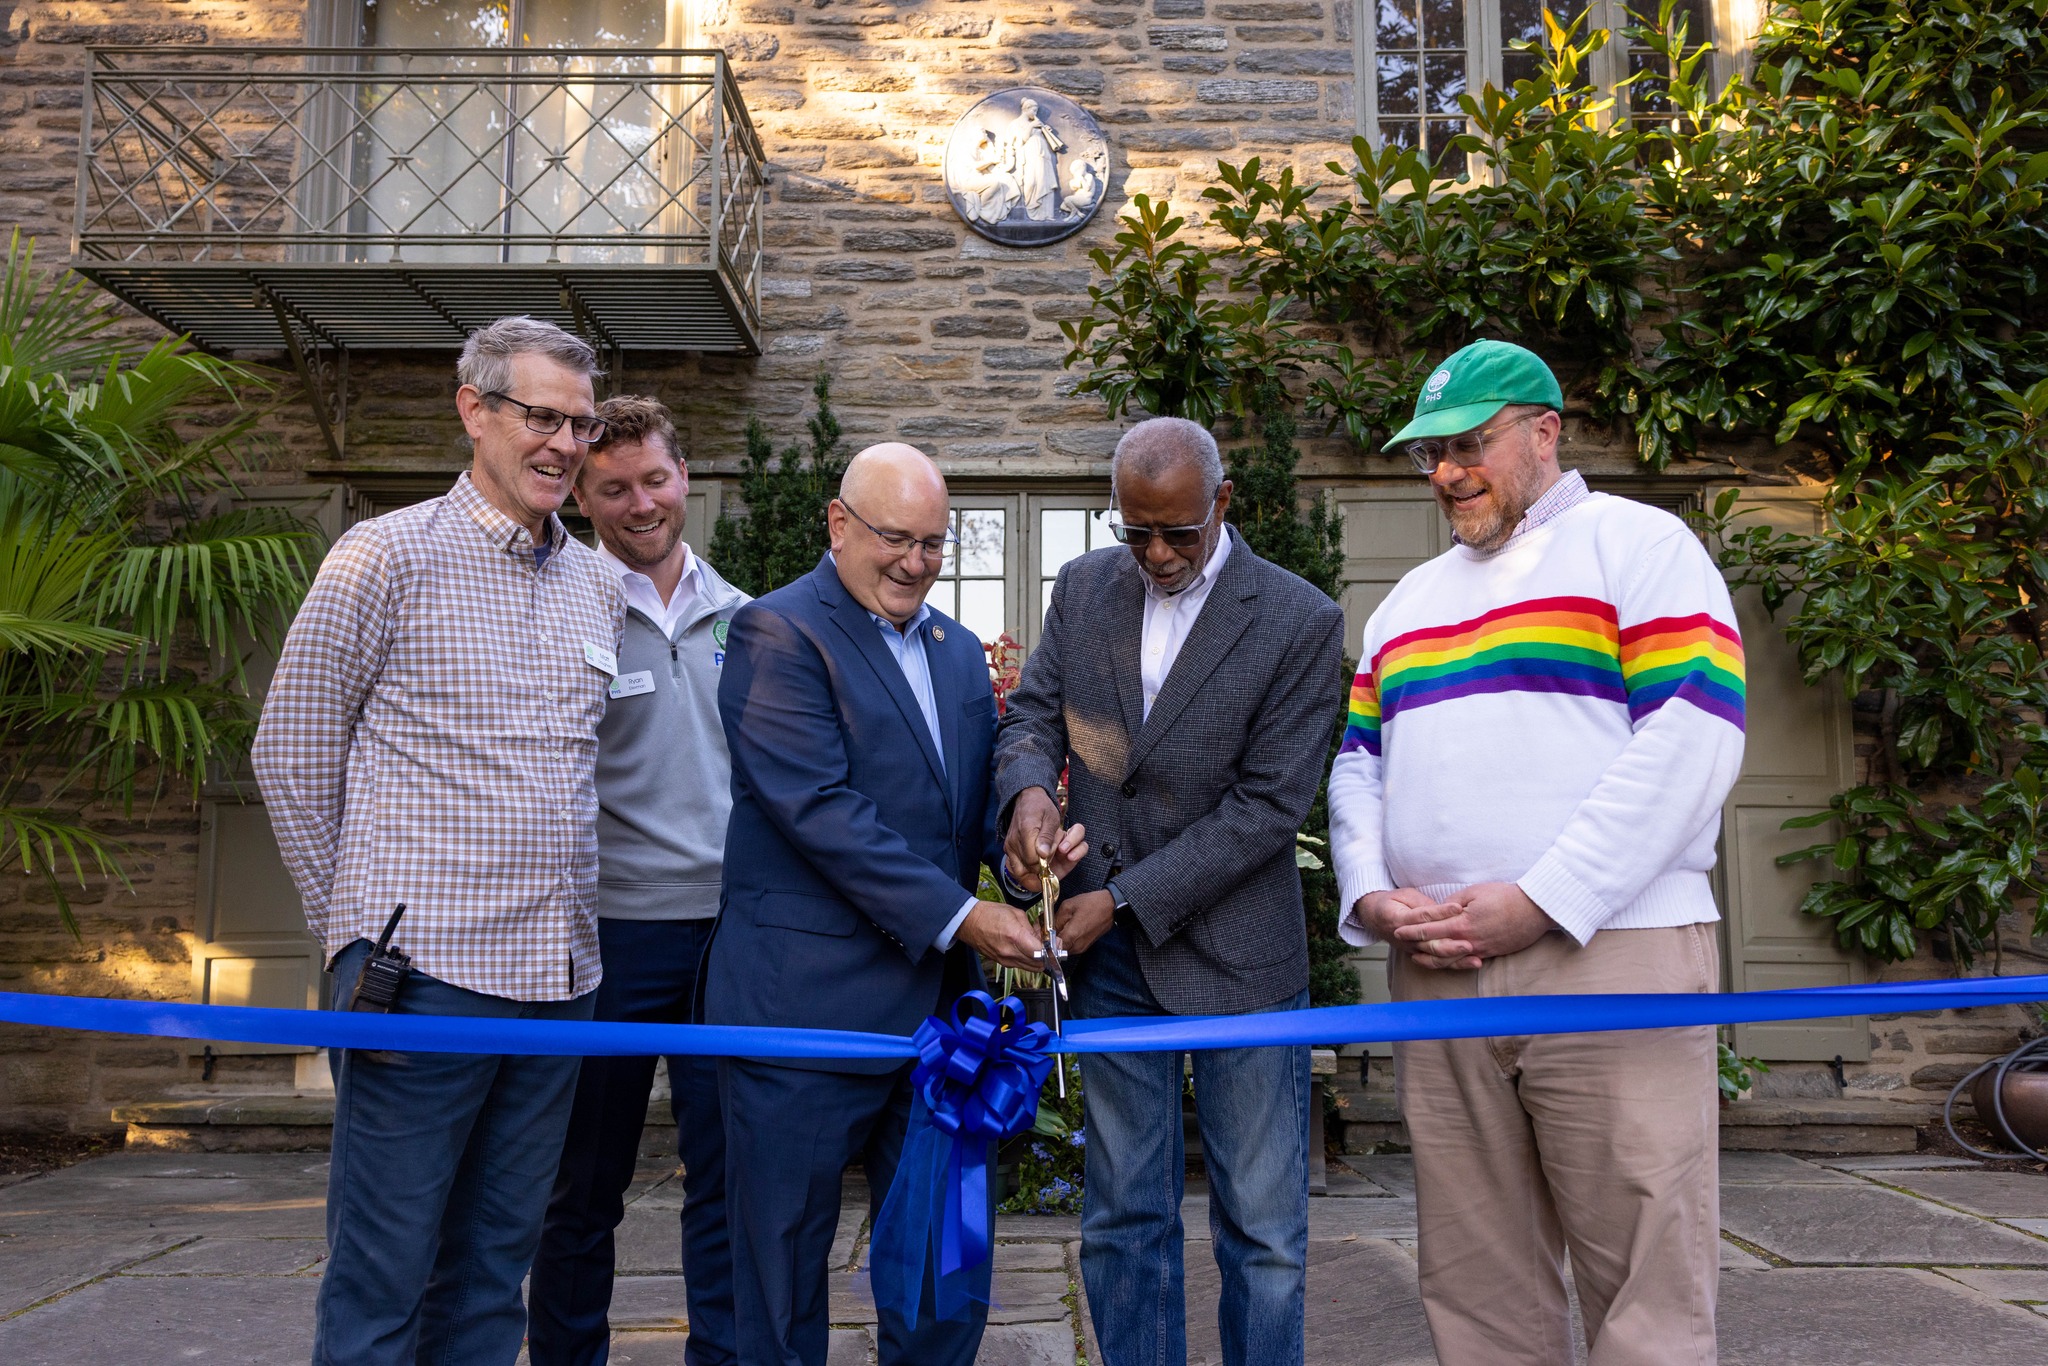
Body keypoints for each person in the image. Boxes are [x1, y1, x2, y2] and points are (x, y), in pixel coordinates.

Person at [1328, 339, 1745, 1365]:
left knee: (1643, 1271)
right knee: (1472, 1277)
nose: (1442, 472)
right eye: (1427, 453)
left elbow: (1693, 731)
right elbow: (1355, 766)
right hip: (1434, 973)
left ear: (1543, 430)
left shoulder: (1639, 548)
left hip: (1612, 959)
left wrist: (1546, 897)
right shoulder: (1403, 603)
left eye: (1466, 444)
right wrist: (1373, 895)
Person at [252, 315, 624, 1365]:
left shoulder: (599, 583)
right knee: (383, 1269)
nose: (563, 444)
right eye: (541, 417)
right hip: (424, 979)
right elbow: (289, 751)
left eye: (580, 424)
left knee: (491, 1270)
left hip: (559, 982)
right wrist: (355, 937)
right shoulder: (383, 555)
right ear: (474, 409)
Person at [704, 443, 1081, 1366]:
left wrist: (1026, 858)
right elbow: (820, 813)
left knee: (938, 1275)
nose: (917, 562)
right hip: (799, 1014)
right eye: (896, 539)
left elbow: (963, 808)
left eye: (935, 544)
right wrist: (965, 915)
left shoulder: (956, 652)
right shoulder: (775, 633)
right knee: (781, 1275)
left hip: (932, 1025)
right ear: (839, 525)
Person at [993, 417, 1348, 1366]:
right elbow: (1032, 714)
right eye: (1134, 531)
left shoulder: (1299, 619)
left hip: (1242, 963)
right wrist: (1029, 792)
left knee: (1266, 1236)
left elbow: (1268, 809)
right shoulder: (1082, 585)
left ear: (1223, 505)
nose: (1155, 553)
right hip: (1109, 966)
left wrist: (1123, 899)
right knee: (1122, 1218)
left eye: (1178, 534)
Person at [528, 396, 746, 1365]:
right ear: (578, 495)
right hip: (608, 936)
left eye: (653, 479)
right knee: (581, 1183)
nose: (639, 503)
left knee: (728, 1176)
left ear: (684, 477)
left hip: (728, 938)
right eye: (611, 487)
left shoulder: (747, 618)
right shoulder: (557, 605)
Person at [1007, 97, 1067, 222]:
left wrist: (1045, 132)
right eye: (1034, 110)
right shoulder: (1016, 124)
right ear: (1026, 109)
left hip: (1043, 154)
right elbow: (1021, 140)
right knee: (1032, 182)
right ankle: (1033, 209)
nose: (1035, 113)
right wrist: (1031, 126)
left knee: (1046, 182)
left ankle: (1047, 214)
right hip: (1029, 155)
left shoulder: (1035, 122)